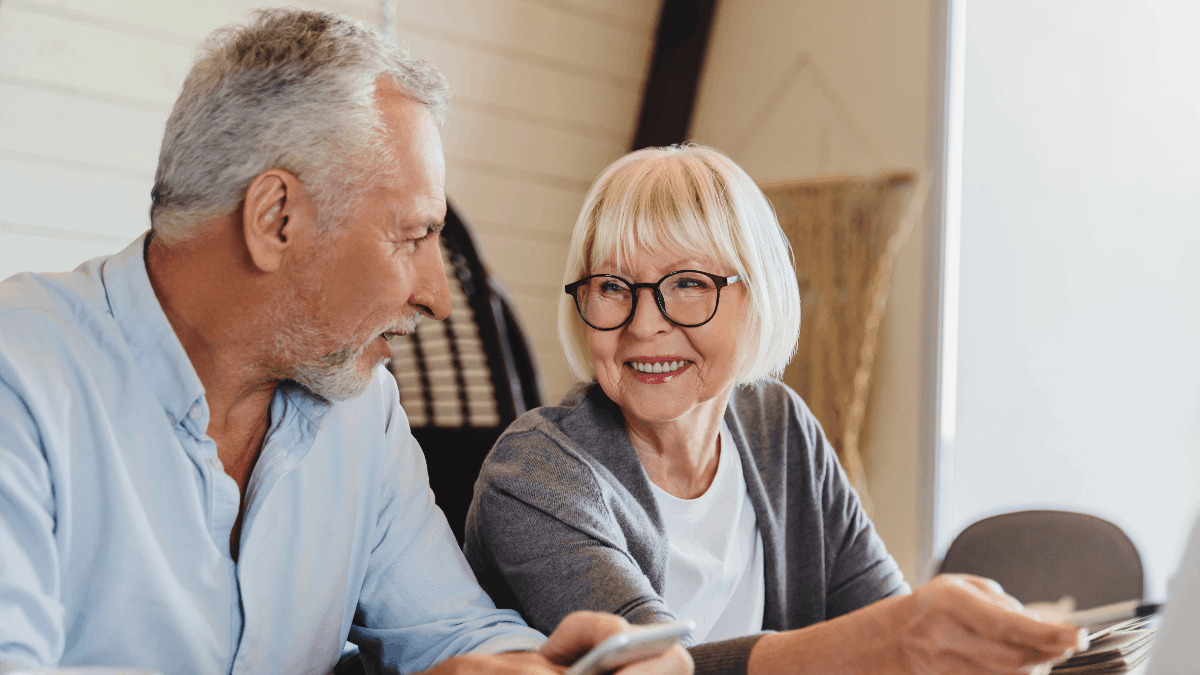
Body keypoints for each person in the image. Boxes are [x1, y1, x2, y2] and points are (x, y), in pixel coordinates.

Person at [0, 9, 692, 675]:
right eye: (414, 235)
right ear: (276, 218)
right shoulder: (20, 375)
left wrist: (544, 663)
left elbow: (451, 629)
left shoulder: (361, 413)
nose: (438, 298)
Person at [462, 144, 1088, 675]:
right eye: (611, 288)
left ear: (755, 296)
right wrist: (895, 636)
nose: (644, 324)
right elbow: (649, 665)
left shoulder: (779, 427)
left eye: (687, 284)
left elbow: (879, 621)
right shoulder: (534, 473)